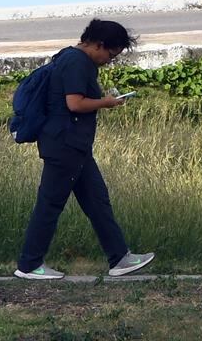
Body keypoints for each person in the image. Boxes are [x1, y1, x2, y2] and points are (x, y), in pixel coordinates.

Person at [14, 18, 156, 281]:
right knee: (50, 204)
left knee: (97, 201)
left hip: (72, 145)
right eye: (110, 55)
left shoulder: (68, 57)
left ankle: (120, 258)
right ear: (99, 45)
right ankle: (29, 264)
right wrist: (107, 102)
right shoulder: (79, 62)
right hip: (65, 145)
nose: (108, 61)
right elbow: (75, 104)